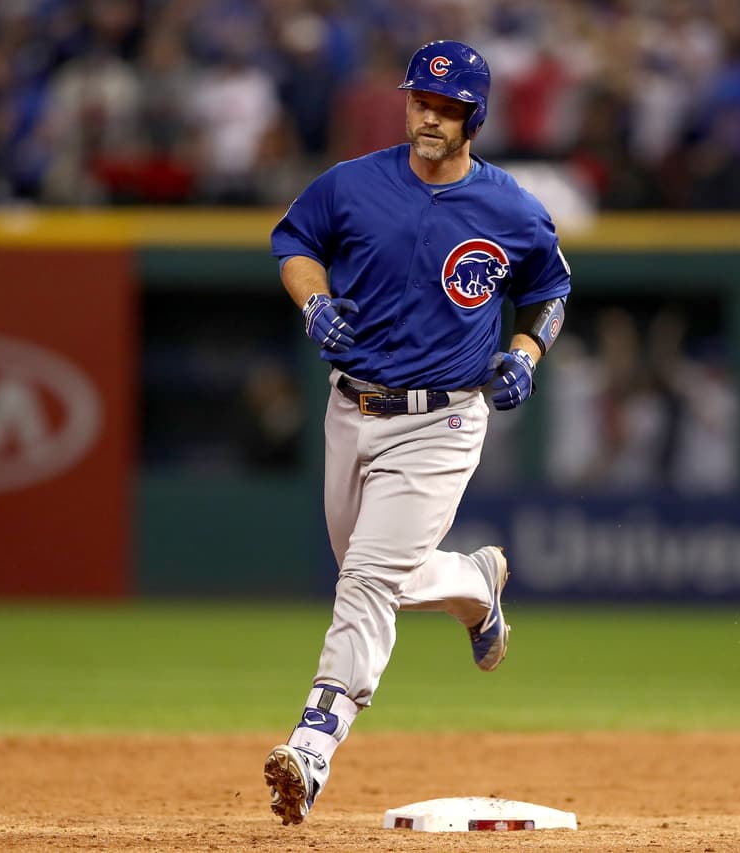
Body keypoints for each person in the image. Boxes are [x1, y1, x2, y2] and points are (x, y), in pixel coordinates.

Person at [263, 39, 572, 826]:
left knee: (365, 582)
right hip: (351, 408)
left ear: (476, 115)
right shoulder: (353, 183)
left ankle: (312, 744)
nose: (430, 116)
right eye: (421, 101)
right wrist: (313, 303)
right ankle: (474, 584)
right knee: (378, 576)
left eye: (447, 106)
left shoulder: (509, 207)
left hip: (443, 419)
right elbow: (294, 242)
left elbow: (550, 290)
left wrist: (526, 354)